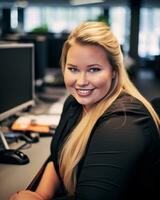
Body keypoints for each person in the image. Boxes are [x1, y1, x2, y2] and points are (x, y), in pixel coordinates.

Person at [10, 21, 160, 200]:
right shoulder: (74, 104)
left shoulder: (123, 123)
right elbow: (58, 157)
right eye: (73, 69)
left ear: (114, 71)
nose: (81, 81)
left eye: (94, 69)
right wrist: (41, 194)